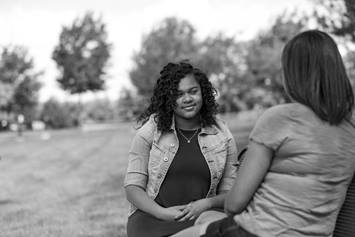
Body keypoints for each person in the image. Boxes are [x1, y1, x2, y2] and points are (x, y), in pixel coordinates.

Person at [173, 30, 355, 237]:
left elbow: (234, 205)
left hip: (258, 232)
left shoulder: (281, 118)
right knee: (206, 218)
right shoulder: (350, 129)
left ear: (293, 73)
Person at [124, 61, 238, 237]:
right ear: (168, 99)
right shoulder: (150, 131)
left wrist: (207, 204)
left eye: (193, 91)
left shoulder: (222, 135)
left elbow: (231, 193)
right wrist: (162, 213)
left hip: (200, 216)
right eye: (178, 94)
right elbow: (133, 188)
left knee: (229, 227)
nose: (187, 99)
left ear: (203, 92)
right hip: (152, 219)